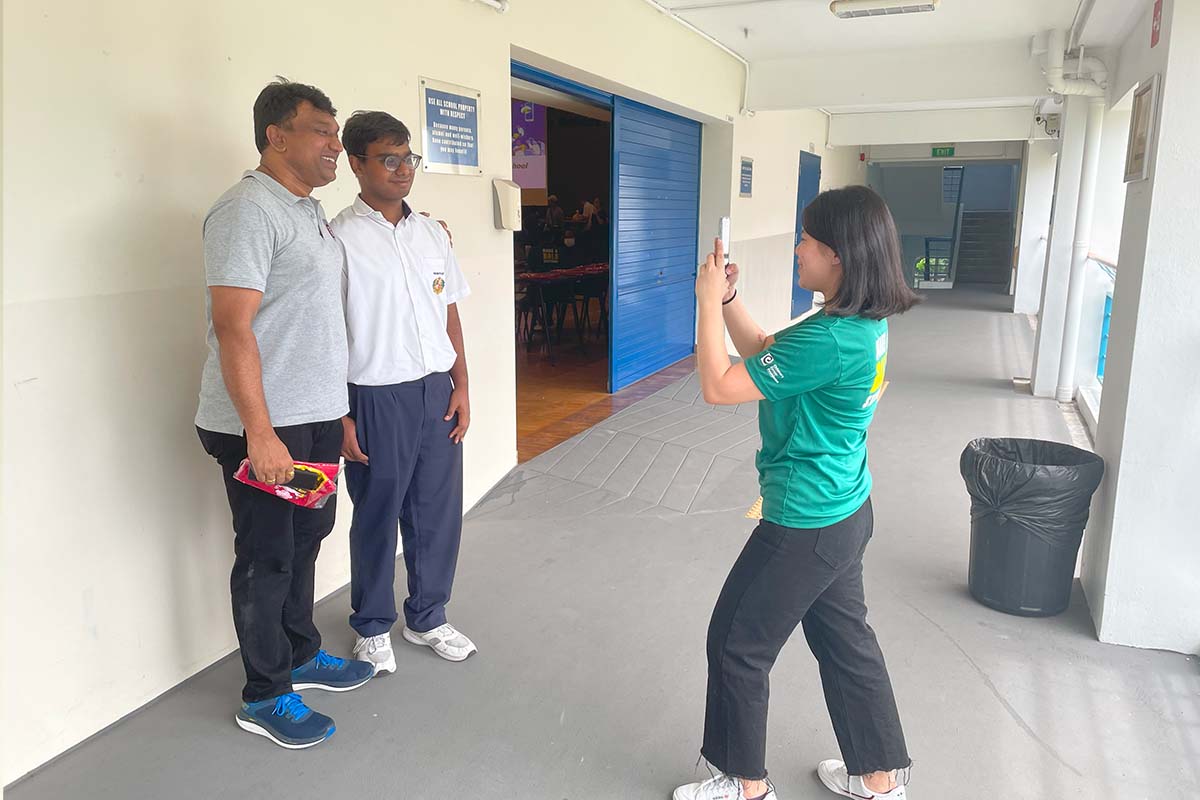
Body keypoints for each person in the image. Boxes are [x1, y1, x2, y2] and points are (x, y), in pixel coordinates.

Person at [673, 186, 919, 800]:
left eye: (807, 240)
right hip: (844, 509)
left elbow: (720, 385)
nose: (798, 250)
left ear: (838, 255)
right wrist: (729, 300)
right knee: (844, 641)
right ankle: (880, 777)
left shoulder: (834, 336)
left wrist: (704, 304)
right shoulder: (855, 325)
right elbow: (770, 354)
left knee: (736, 643)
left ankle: (745, 784)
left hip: (805, 522)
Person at [195, 79, 374, 750]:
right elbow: (234, 328)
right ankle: (265, 693)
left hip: (314, 417)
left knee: (307, 540)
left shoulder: (306, 210)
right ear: (277, 136)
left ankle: (300, 652)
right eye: (323, 131)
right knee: (268, 556)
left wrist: (340, 412)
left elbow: (311, 322)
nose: (336, 145)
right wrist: (259, 433)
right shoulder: (247, 210)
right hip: (264, 424)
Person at [332, 111, 477, 675]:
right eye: (387, 159)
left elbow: (451, 314)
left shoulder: (432, 234)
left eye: (408, 158)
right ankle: (371, 626)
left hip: (435, 390)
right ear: (357, 164)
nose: (401, 170)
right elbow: (330, 334)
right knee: (376, 512)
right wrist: (341, 415)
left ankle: (428, 616)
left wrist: (462, 383)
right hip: (374, 396)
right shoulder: (337, 239)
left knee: (437, 511)